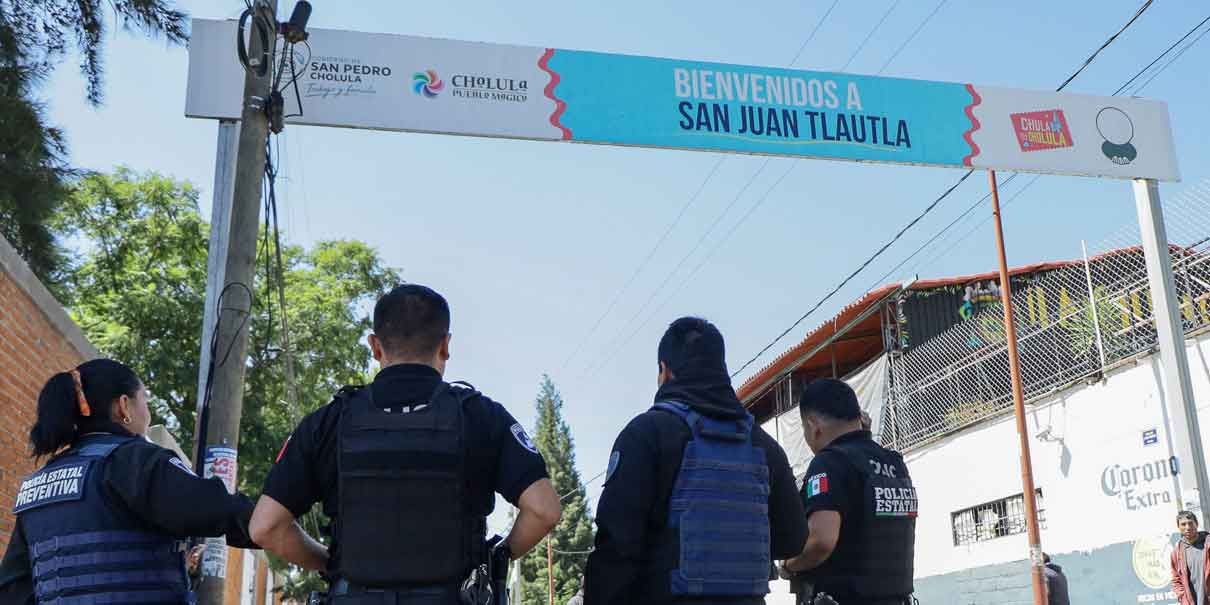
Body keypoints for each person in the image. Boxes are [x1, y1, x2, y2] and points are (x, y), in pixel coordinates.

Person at [249, 283, 561, 603]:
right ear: (445, 345)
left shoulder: (329, 422)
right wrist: (494, 561)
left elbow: (266, 526)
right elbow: (543, 510)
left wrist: (330, 564)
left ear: (375, 346)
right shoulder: (481, 415)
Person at [585, 317, 807, 605]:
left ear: (664, 371)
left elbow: (616, 550)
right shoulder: (765, 447)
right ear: (721, 371)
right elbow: (792, 539)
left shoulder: (646, 435)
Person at [0, 359, 258, 604]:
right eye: (144, 400)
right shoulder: (135, 460)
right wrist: (278, 521)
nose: (147, 414)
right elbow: (223, 510)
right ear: (123, 405)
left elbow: (12, 592)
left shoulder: (37, 485)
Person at [780, 378, 917, 605]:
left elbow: (821, 542)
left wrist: (788, 564)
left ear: (814, 425)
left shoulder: (829, 463)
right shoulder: (894, 463)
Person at [1171, 510, 1210, 605]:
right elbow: (1176, 579)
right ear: (1178, 527)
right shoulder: (1176, 552)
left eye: (1190, 523)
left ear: (1196, 524)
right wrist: (1183, 598)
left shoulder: (1208, 544)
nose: (1187, 527)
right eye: (1183, 524)